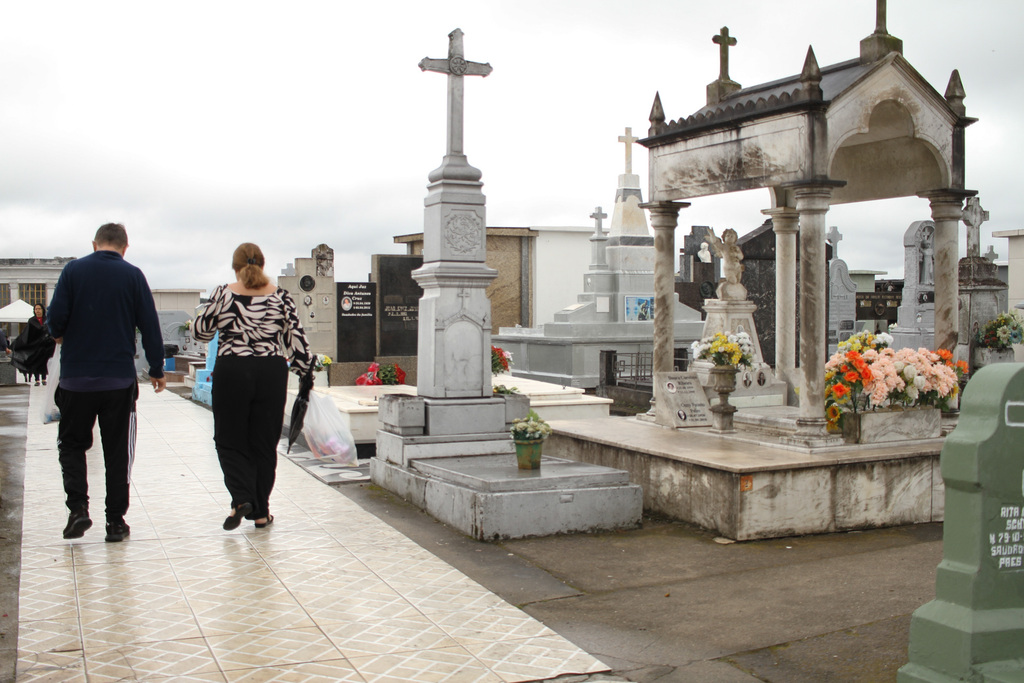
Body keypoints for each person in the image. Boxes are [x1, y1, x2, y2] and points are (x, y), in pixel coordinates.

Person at [47, 223, 166, 542]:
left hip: (75, 380)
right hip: (118, 380)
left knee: (72, 445)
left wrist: (57, 332)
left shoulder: (72, 271)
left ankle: (78, 510)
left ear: (94, 244)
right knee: (117, 452)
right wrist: (156, 368)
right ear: (125, 248)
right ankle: (115, 521)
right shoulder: (133, 275)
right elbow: (150, 326)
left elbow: (55, 318)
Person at [193, 243, 311, 531]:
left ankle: (241, 498)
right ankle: (261, 513)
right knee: (264, 443)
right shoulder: (281, 297)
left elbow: (200, 331)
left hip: (233, 369)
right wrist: (305, 372)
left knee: (229, 439)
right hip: (270, 372)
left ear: (235, 267)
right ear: (263, 263)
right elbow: (296, 341)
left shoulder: (223, 293)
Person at [26, 304, 56, 385]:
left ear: (42, 310)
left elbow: (50, 329)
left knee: (44, 361)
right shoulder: (31, 321)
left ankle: (44, 378)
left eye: (39, 309)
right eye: (36, 309)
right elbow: (29, 333)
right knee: (36, 361)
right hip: (35, 345)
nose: (38, 311)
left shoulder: (47, 319)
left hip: (46, 344)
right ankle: (37, 379)